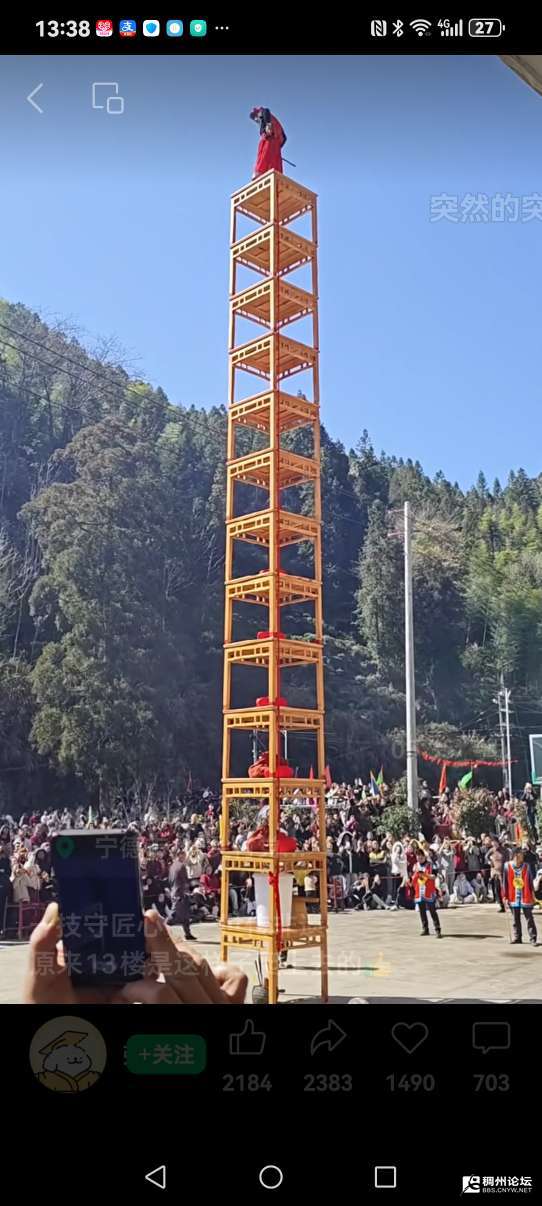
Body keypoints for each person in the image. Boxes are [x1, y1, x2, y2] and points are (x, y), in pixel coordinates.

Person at [502, 848, 538, 946]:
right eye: (521, 854)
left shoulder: (527, 866)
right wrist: (504, 896)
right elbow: (505, 882)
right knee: (515, 918)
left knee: (529, 918)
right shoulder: (507, 866)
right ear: (515, 855)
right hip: (513, 895)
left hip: (525, 895)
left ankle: (533, 938)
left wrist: (533, 894)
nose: (523, 856)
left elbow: (530, 881)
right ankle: (517, 937)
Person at [167, 851, 197, 941]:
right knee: (174, 914)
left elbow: (170, 880)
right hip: (180, 893)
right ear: (179, 856)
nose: (185, 857)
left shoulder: (172, 866)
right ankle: (162, 927)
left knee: (185, 914)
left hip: (175, 891)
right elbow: (185, 880)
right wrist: (188, 889)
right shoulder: (181, 866)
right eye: (184, 856)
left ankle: (187, 933)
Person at [250, 107, 287, 176]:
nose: (255, 119)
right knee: (274, 160)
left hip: (269, 139)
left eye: (255, 116)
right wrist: (278, 147)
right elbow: (285, 138)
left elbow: (266, 111)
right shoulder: (271, 121)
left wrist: (268, 124)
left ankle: (259, 172)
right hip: (276, 144)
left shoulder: (264, 113)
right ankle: (276, 175)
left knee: (264, 154)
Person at [412, 852, 442, 937]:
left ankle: (437, 929)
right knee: (422, 911)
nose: (419, 858)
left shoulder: (431, 865)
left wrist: (425, 875)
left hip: (429, 890)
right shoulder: (415, 866)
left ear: (424, 857)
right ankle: (425, 929)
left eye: (421, 857)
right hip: (419, 891)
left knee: (432, 911)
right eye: (418, 857)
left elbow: (434, 876)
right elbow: (413, 877)